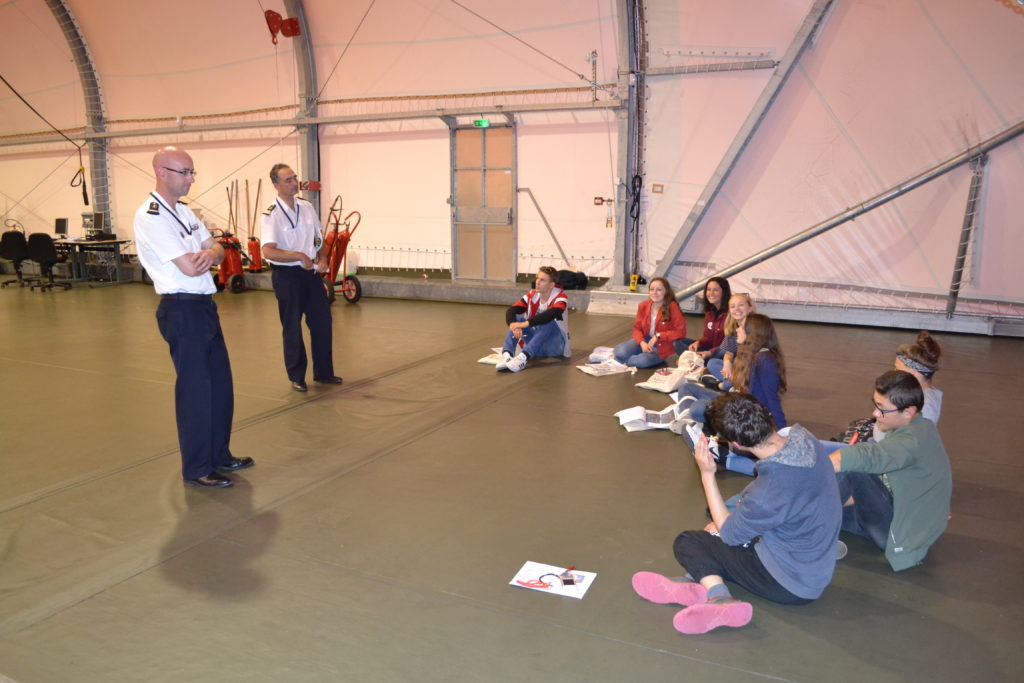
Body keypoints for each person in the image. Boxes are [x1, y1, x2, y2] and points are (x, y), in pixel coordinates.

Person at [632, 393, 840, 634]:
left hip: (789, 583)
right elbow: (769, 497)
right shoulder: (804, 438)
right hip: (814, 561)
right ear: (767, 415)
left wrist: (707, 474)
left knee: (690, 541)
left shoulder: (769, 492)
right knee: (720, 527)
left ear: (735, 444)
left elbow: (731, 534)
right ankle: (692, 581)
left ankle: (719, 597)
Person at [133, 146, 253, 488]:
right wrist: (205, 254)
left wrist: (211, 252)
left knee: (220, 385)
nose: (190, 179)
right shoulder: (151, 216)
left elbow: (217, 248)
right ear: (162, 172)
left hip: (204, 306)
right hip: (182, 309)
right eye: (184, 172)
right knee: (196, 390)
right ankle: (198, 466)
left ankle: (219, 454)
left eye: (192, 172)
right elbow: (189, 266)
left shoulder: (184, 212)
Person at [828, 370, 952, 571]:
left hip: (896, 535)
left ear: (908, 411)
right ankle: (802, 519)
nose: (875, 414)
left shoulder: (912, 441)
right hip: (892, 514)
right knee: (827, 503)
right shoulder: (922, 427)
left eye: (882, 409)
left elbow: (868, 457)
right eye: (875, 404)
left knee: (852, 469)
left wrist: (825, 466)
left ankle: (801, 529)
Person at [261, 163, 342, 392]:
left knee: (322, 322)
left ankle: (324, 372)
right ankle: (297, 376)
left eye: (294, 178)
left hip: (311, 274)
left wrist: (323, 258)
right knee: (292, 327)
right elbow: (268, 251)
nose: (294, 183)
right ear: (276, 185)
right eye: (288, 180)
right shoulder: (271, 214)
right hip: (287, 276)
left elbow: (318, 238)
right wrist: (297, 256)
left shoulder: (306, 207)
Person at [674, 313, 788, 475]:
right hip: (736, 403)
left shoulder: (765, 361)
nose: (737, 330)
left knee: (698, 408)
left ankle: (716, 445)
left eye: (742, 327)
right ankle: (700, 431)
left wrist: (784, 434)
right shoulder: (752, 354)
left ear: (753, 333)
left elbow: (773, 401)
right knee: (686, 388)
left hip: (746, 419)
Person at [496, 266, 571, 373]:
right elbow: (511, 310)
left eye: (542, 280)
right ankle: (507, 355)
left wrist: (524, 324)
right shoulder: (532, 295)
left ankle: (523, 358)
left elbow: (551, 314)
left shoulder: (561, 297)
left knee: (550, 321)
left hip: (554, 348)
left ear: (552, 285)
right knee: (516, 319)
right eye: (537, 278)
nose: (537, 282)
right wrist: (513, 324)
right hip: (536, 346)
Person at [611, 277, 690, 368]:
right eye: (652, 289)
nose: (654, 292)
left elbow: (681, 332)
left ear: (666, 292)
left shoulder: (672, 306)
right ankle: (620, 357)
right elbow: (637, 329)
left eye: (659, 290)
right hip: (645, 339)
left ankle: (618, 360)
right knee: (620, 351)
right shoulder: (643, 306)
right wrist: (642, 342)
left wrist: (658, 336)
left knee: (643, 361)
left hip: (661, 345)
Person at [704, 292, 755, 388]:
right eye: (732, 306)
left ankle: (723, 385)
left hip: (751, 370)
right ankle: (733, 384)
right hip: (737, 369)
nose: (736, 309)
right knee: (712, 363)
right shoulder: (732, 328)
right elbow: (729, 352)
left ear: (750, 308)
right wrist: (727, 362)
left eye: (741, 305)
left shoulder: (756, 328)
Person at [687, 277, 730, 360]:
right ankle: (699, 358)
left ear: (724, 292)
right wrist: (698, 343)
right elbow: (707, 338)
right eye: (709, 289)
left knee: (712, 362)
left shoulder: (730, 314)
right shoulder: (709, 313)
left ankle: (701, 359)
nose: (711, 293)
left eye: (715, 290)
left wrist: (710, 352)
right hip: (711, 349)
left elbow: (728, 345)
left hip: (723, 352)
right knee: (680, 342)